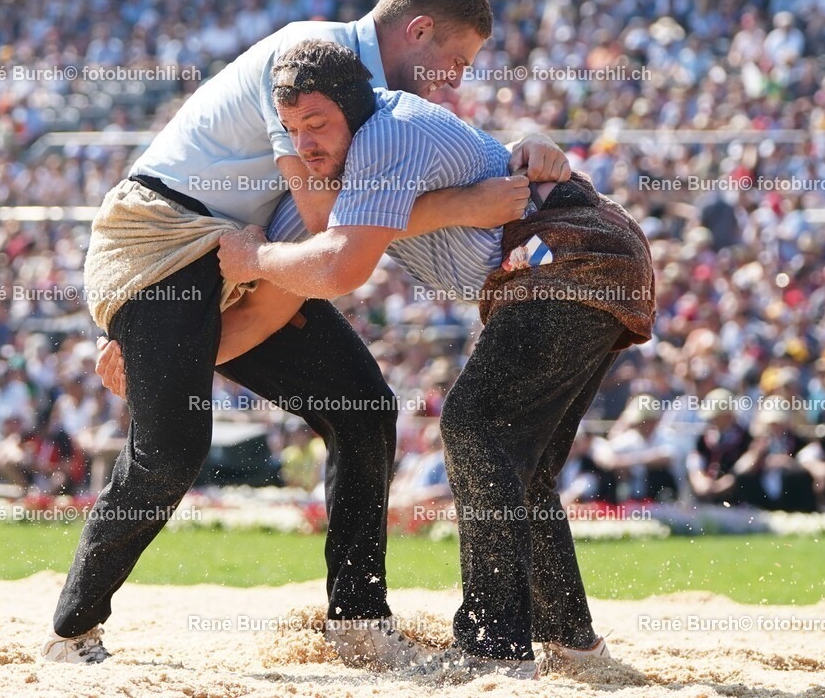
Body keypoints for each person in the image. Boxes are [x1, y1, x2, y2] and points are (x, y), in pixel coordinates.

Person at [44, 0, 568, 668]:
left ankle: (357, 620)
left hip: (246, 251)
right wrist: (462, 208)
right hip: (160, 244)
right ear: (416, 31)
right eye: (454, 63)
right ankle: (71, 632)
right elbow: (333, 234)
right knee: (172, 450)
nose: (455, 83)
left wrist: (529, 138)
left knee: (362, 410)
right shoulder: (309, 63)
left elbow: (432, 162)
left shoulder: (373, 98)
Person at [207, 39, 655, 681]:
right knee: (518, 467)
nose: (305, 144)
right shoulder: (369, 144)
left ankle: (493, 645)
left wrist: (251, 260)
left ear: (354, 110)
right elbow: (334, 223)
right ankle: (572, 645)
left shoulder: (383, 137)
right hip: (575, 259)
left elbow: (340, 262)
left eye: (317, 125)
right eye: (291, 130)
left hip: (568, 255)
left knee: (474, 426)